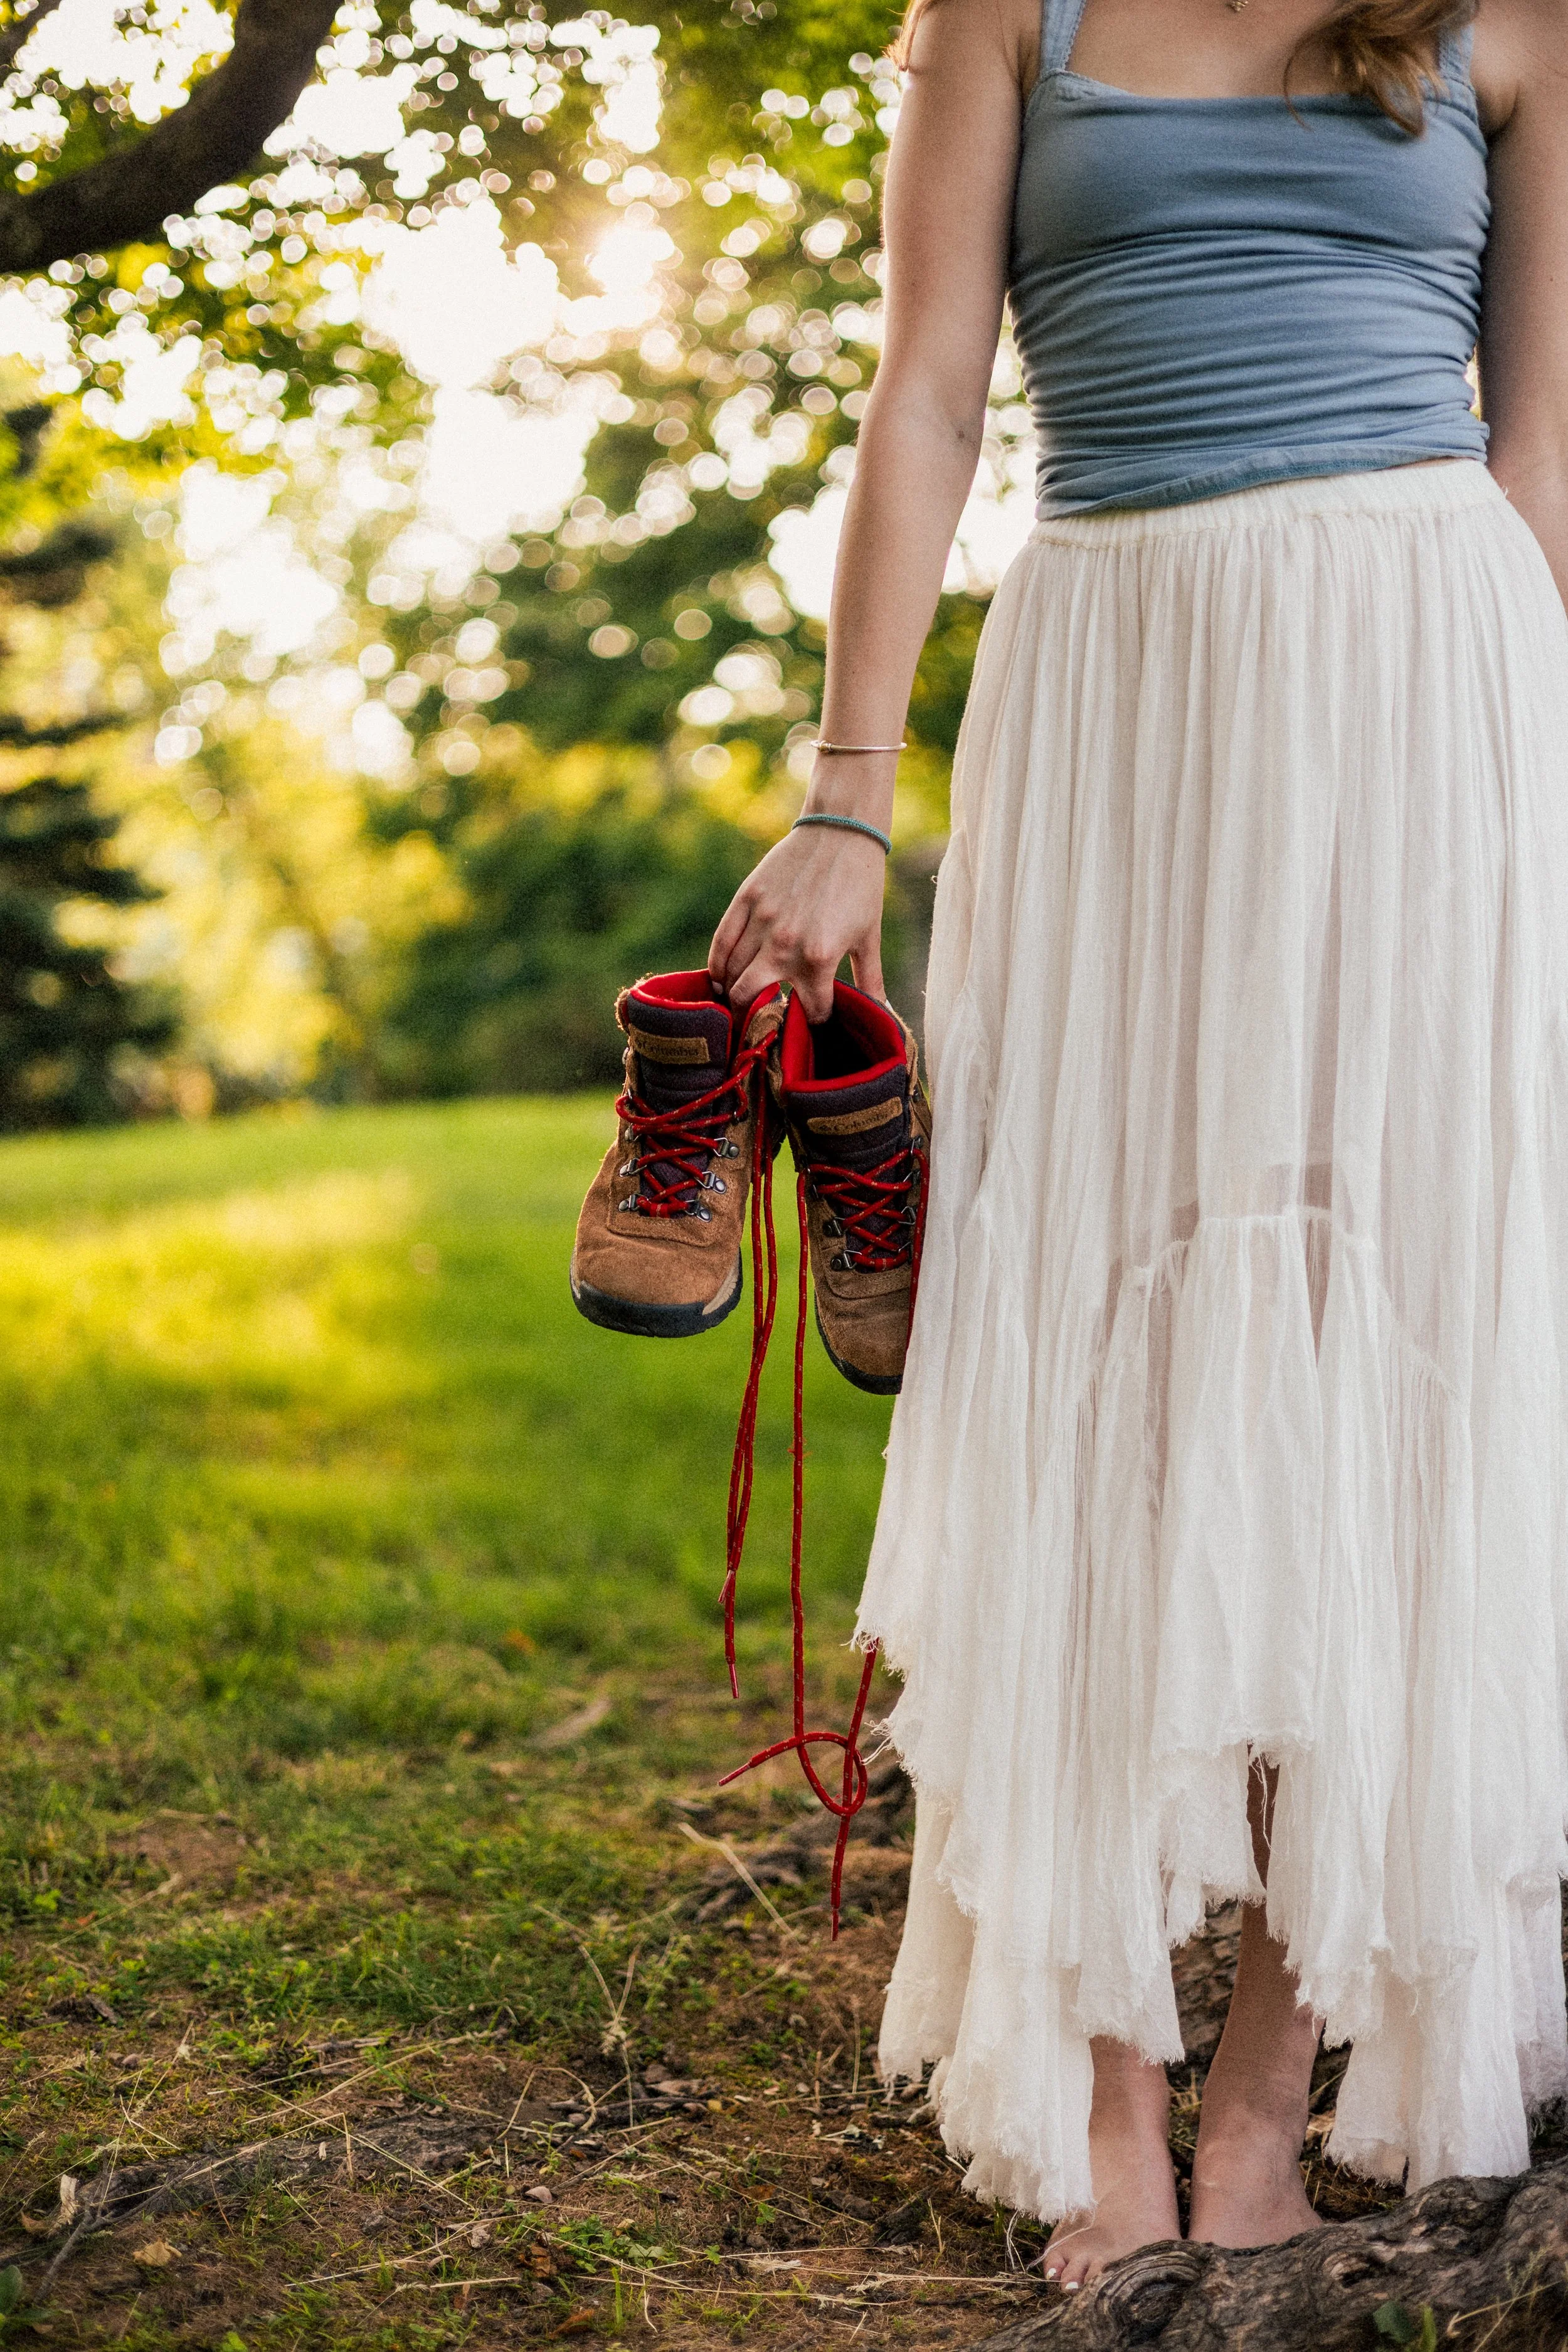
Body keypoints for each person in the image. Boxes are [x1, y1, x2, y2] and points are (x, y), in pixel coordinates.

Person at [704, 0, 1568, 2292]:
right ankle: (1096, 2079)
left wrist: (1520, 781)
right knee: (1085, 1336)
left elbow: (1546, 441)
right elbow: (923, 387)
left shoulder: (1518, 23)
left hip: (1429, 681)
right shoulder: (1008, 7)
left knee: (1401, 1348)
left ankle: (1272, 2101)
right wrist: (843, 796)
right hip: (1116, 677)